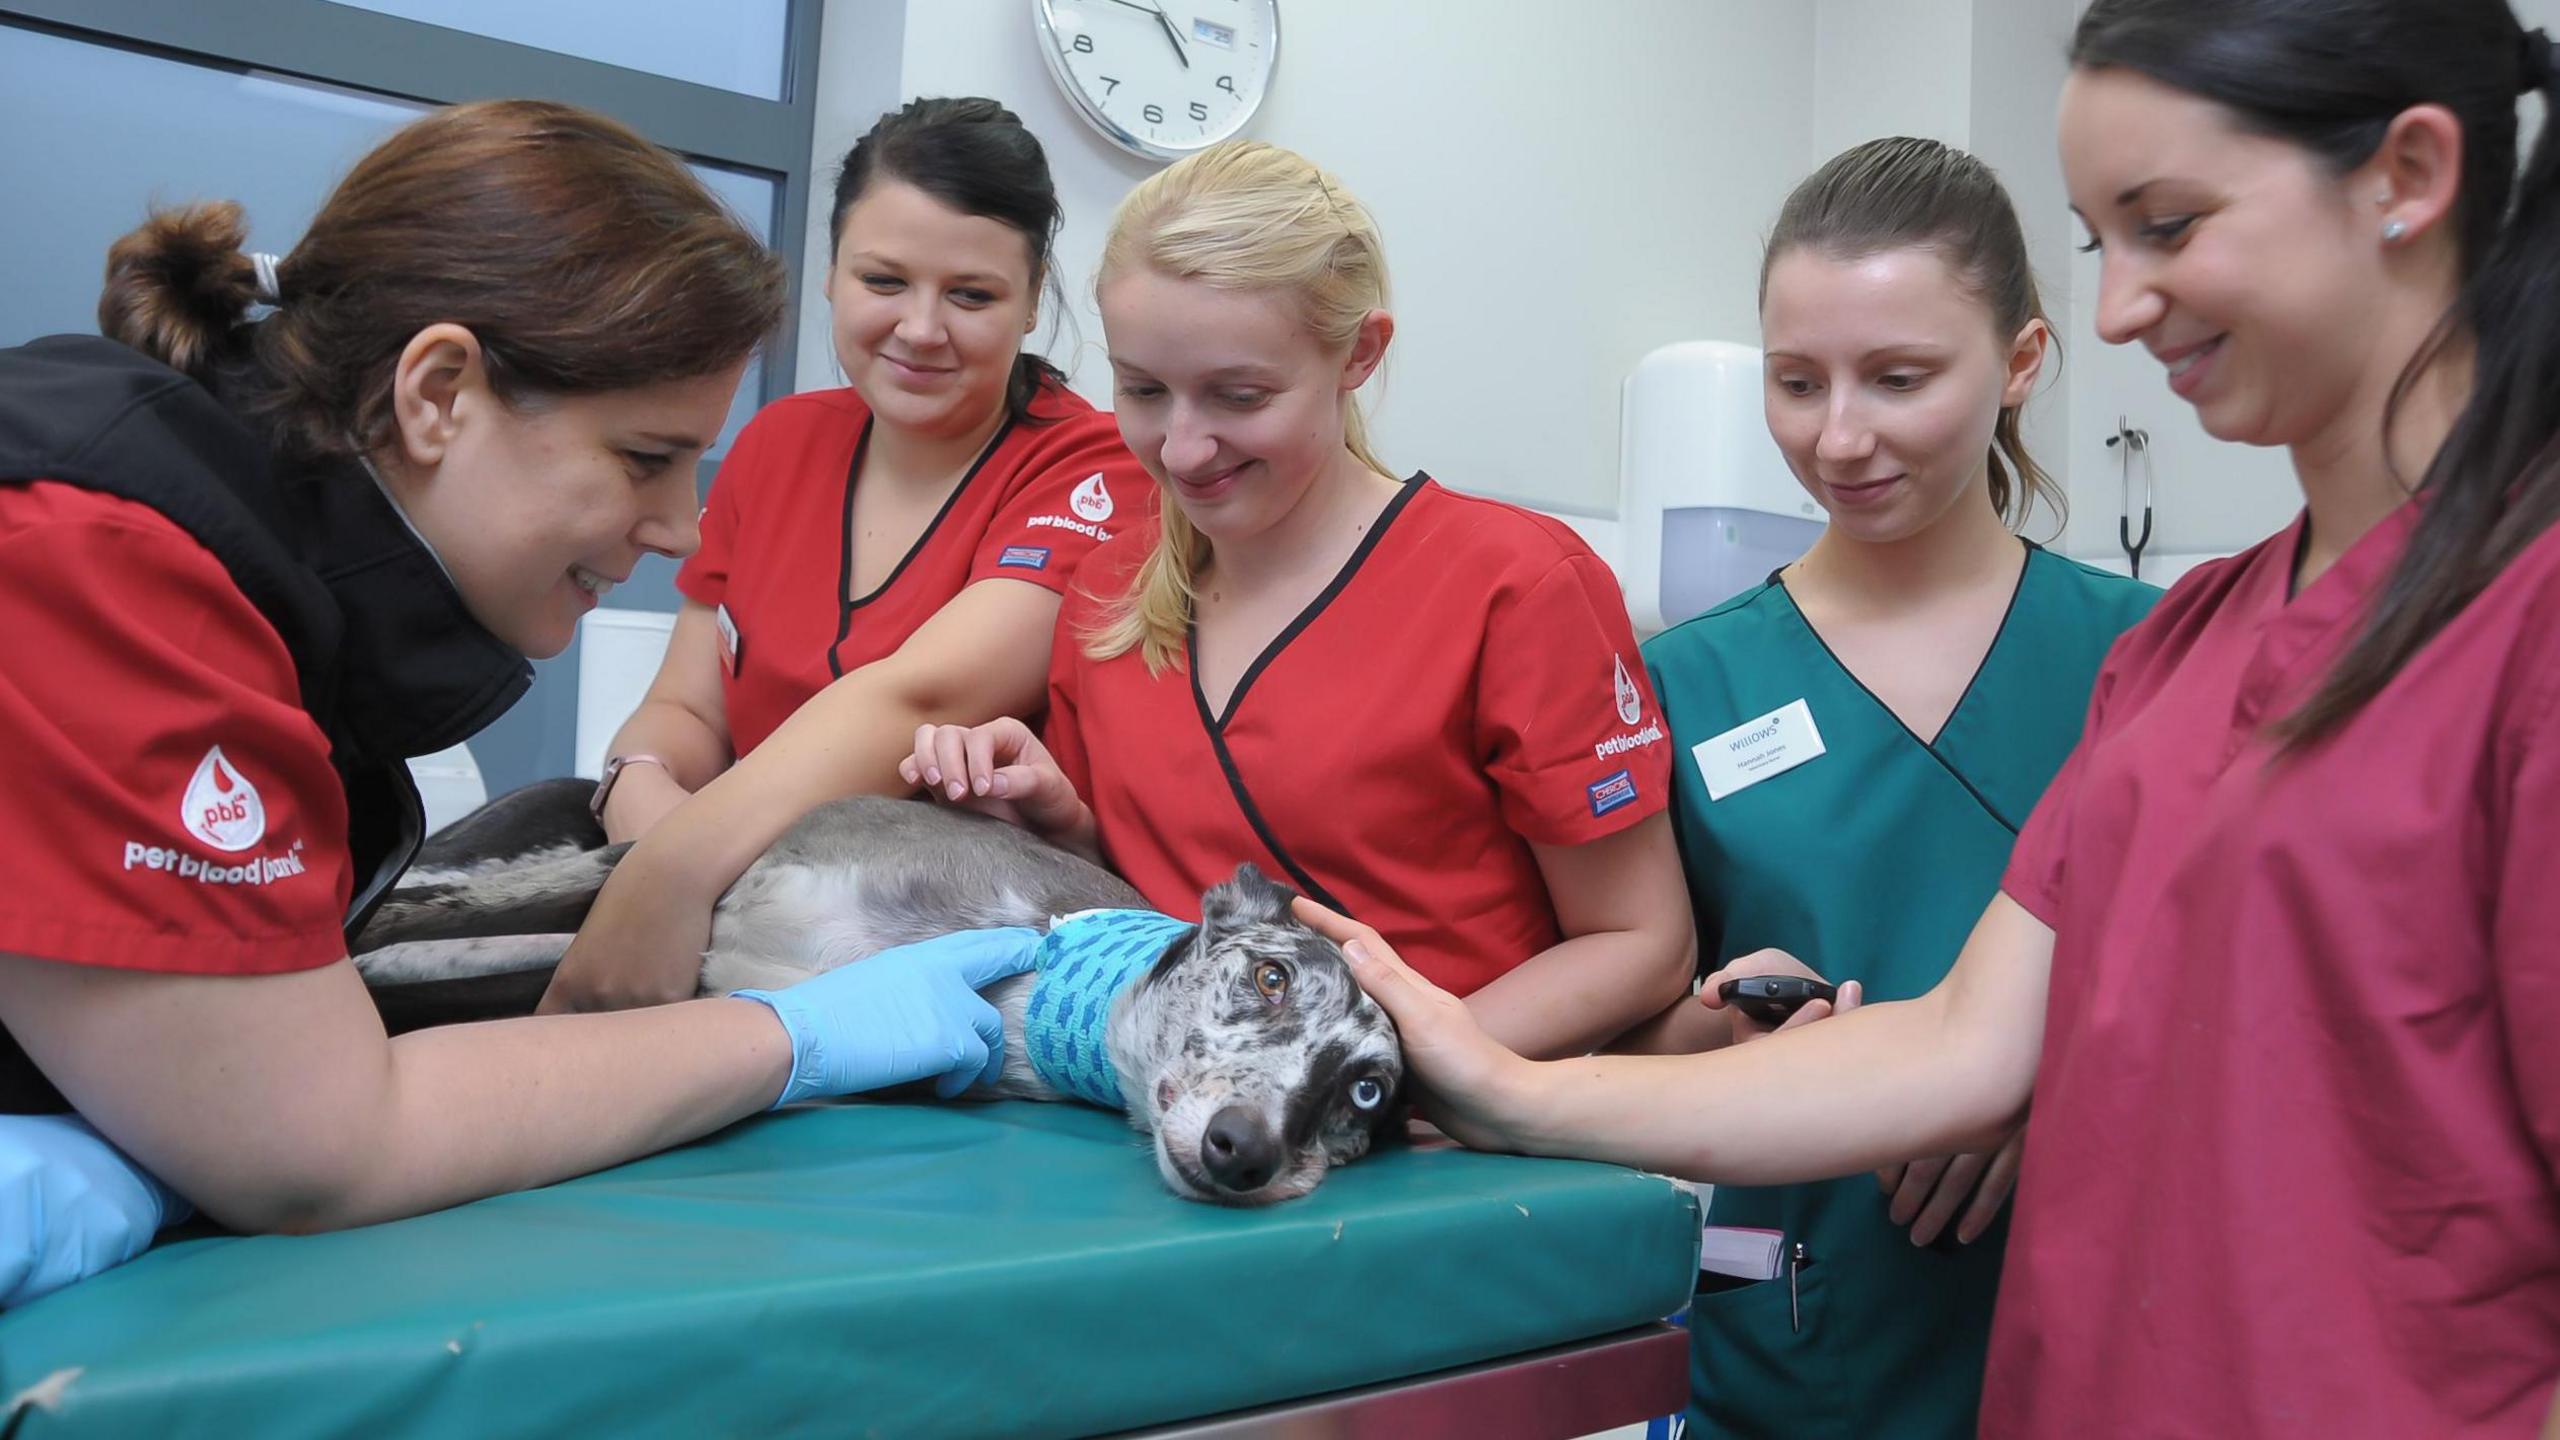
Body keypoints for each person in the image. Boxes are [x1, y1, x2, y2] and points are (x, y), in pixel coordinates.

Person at [1299, 2, 2560, 1433]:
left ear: (2405, 177)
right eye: (2103, 242)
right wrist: (1502, 1084)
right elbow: (1959, 1045)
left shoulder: (2517, 624)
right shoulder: (2193, 653)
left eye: (2171, 223)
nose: (2122, 310)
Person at [0, 101, 1040, 1299]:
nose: (680, 530)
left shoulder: (238, 553)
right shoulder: (102, 559)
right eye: (644, 458)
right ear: (438, 391)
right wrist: (797, 1038)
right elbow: (315, 1146)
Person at [901, 141, 1695, 1058]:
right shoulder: (1107, 593)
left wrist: (1387, 1079)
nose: (1185, 448)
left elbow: (1640, 944)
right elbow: (1152, 890)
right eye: (1144, 390)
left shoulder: (1512, 585)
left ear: (1359, 353)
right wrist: (1052, 817)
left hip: (1441, 1145)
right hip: (1185, 1112)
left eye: (1239, 396)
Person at [1624, 137, 2157, 1438]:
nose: (1838, 435)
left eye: (1899, 377)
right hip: (1808, 1334)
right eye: (1797, 383)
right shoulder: (1684, 682)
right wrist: (1730, 1036)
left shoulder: (2149, 659)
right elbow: (1619, 1044)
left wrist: (2016, 1084)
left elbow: (2243, 1005)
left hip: (2096, 1298)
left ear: (2022, 363)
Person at [540, 97, 1149, 1013]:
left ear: (1031, 303)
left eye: (972, 295)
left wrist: (673, 870)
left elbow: (924, 696)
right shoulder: (776, 445)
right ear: (829, 274)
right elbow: (684, 709)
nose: (921, 328)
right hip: (720, 904)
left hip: (931, 949)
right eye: (884, 280)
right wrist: (640, 784)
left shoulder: (1093, 470)